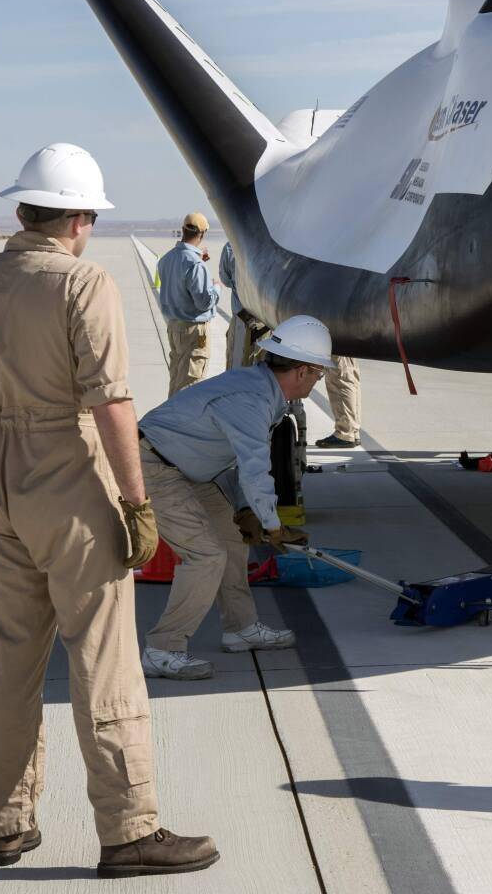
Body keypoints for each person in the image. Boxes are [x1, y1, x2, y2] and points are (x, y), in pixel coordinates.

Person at [0, 143, 217, 874]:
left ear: (22, 210)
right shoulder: (81, 282)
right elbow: (111, 400)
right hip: (67, 475)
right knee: (104, 659)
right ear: (81, 218)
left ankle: (5, 825)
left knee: (7, 664)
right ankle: (128, 830)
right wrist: (136, 502)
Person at [135, 315, 331, 679]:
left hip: (187, 468)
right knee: (206, 555)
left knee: (232, 538)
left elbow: (242, 462)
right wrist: (273, 526)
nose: (318, 381)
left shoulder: (265, 391)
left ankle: (241, 628)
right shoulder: (251, 399)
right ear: (302, 370)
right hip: (155, 465)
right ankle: (163, 648)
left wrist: (246, 510)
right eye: (319, 374)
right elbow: (256, 467)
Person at [155, 212, 219, 396]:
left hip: (174, 328)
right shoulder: (195, 265)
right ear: (202, 234)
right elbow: (204, 302)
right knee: (191, 386)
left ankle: (168, 421)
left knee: (176, 379)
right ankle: (178, 424)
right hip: (193, 331)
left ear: (183, 230)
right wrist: (216, 289)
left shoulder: (166, 260)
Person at [217, 239, 252, 370]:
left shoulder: (231, 246)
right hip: (266, 322)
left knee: (235, 370)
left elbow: (225, 279)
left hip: (241, 318)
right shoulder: (269, 245)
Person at [314, 356, 362, 449]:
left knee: (340, 379)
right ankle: (353, 431)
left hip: (338, 346)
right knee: (348, 376)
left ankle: (345, 433)